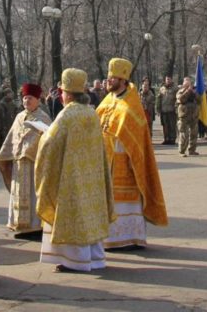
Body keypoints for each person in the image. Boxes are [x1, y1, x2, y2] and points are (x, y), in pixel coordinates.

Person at [35, 68, 114, 273]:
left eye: (62, 91)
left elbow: (50, 143)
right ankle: (95, 258)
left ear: (68, 93)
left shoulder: (67, 114)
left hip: (71, 177)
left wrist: (41, 136)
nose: (60, 95)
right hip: (92, 176)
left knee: (74, 216)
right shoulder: (91, 112)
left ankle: (75, 261)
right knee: (90, 215)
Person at [97, 58, 168, 249]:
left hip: (126, 162)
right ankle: (110, 238)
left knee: (125, 202)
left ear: (123, 80)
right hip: (106, 160)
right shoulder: (108, 100)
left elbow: (136, 137)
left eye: (113, 78)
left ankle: (130, 237)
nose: (109, 80)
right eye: (108, 77)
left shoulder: (131, 104)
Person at [0, 82, 52, 237]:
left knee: (33, 196)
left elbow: (49, 140)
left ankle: (35, 227)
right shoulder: (19, 117)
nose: (26, 101)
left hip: (34, 164)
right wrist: (4, 155)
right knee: (17, 194)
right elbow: (11, 138)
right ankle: (19, 225)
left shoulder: (44, 118)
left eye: (30, 98)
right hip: (18, 164)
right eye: (25, 98)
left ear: (38, 100)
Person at [175, 76, 199, 156]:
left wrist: (194, 92)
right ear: (183, 83)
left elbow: (200, 100)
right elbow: (181, 99)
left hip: (193, 115)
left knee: (194, 134)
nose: (188, 82)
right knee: (184, 134)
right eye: (186, 81)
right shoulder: (180, 91)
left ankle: (192, 150)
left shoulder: (194, 91)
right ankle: (181, 151)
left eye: (189, 81)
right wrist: (187, 91)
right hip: (184, 115)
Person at [157, 76, 177, 146]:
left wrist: (176, 107)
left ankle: (172, 139)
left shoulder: (175, 88)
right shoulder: (162, 88)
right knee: (165, 126)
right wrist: (158, 109)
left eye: (169, 79)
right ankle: (166, 139)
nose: (168, 80)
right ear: (165, 80)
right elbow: (159, 99)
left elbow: (177, 99)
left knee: (172, 125)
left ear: (171, 80)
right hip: (164, 110)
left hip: (172, 110)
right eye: (167, 79)